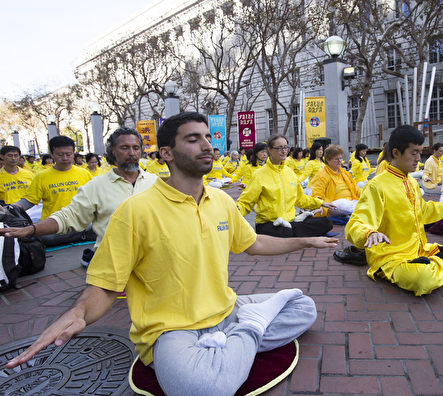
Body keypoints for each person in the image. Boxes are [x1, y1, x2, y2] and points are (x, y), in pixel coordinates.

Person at [4, 112, 337, 396]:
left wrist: (304, 242)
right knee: (206, 389)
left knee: (303, 308)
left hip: (225, 309)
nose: (207, 145)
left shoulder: (221, 201)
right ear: (166, 153)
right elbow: (106, 285)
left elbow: (255, 244)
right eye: (193, 139)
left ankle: (241, 328)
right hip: (172, 329)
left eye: (207, 137)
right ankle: (251, 328)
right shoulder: (136, 211)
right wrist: (77, 315)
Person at [343, 125, 443, 296]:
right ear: (396, 153)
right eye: (413, 153)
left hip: (418, 250)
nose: (418, 159)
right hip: (392, 258)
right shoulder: (377, 185)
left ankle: (431, 264)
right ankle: (433, 264)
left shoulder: (412, 182)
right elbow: (355, 223)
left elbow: (424, 210)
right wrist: (368, 234)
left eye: (420, 153)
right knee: (424, 280)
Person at [0, 128, 158, 267]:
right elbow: (67, 217)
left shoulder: (155, 182)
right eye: (124, 148)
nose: (131, 153)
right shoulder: (96, 186)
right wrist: (31, 230)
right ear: (112, 151)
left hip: (152, 259)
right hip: (113, 263)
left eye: (136, 148)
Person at [237, 134, 334, 237]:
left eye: (285, 147)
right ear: (269, 150)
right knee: (286, 231)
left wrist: (321, 203)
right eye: (279, 148)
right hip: (268, 224)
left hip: (290, 221)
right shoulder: (259, 174)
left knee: (326, 223)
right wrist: (235, 210)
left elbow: (300, 199)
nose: (283, 151)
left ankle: (293, 232)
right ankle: (293, 233)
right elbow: (246, 202)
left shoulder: (289, 173)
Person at [15, 136, 92, 221]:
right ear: (52, 154)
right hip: (52, 227)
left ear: (73, 153)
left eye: (68, 154)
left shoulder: (84, 174)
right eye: (60, 154)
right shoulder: (42, 176)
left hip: (80, 224)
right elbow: (29, 200)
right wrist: (11, 208)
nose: (65, 158)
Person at [310, 145, 361, 218]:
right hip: (334, 204)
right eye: (336, 159)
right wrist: (321, 207)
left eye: (340, 158)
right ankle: (358, 211)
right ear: (328, 160)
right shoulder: (321, 175)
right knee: (342, 204)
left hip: (351, 202)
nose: (340, 161)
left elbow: (356, 189)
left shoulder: (344, 173)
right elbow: (316, 194)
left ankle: (355, 211)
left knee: (368, 200)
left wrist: (366, 196)